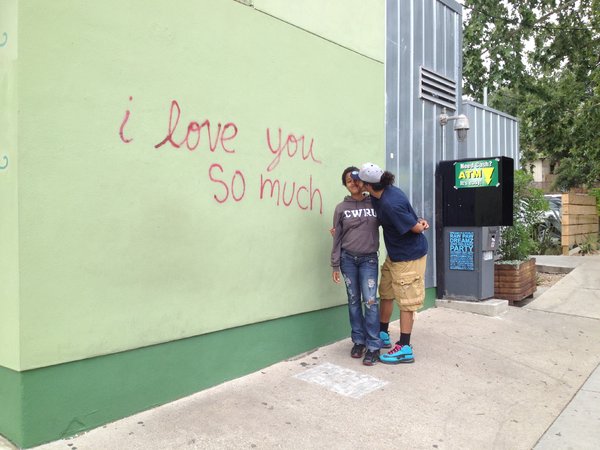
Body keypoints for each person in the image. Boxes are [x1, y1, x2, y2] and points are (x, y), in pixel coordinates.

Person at [352, 162, 429, 364]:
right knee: (386, 291)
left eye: (359, 181)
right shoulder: (378, 194)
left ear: (368, 185)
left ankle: (404, 347)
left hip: (409, 257)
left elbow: (416, 228)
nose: (356, 183)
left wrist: (421, 223)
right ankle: (383, 333)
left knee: (406, 301)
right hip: (394, 255)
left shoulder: (390, 203)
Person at [330, 166, 382, 366]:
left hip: (369, 260)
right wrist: (335, 264)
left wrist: (415, 222)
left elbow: (394, 216)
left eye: (356, 179)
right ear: (345, 185)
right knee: (353, 301)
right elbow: (337, 238)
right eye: (348, 181)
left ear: (363, 181)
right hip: (348, 260)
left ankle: (374, 345)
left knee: (370, 301)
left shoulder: (375, 203)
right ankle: (358, 341)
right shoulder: (341, 208)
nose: (353, 183)